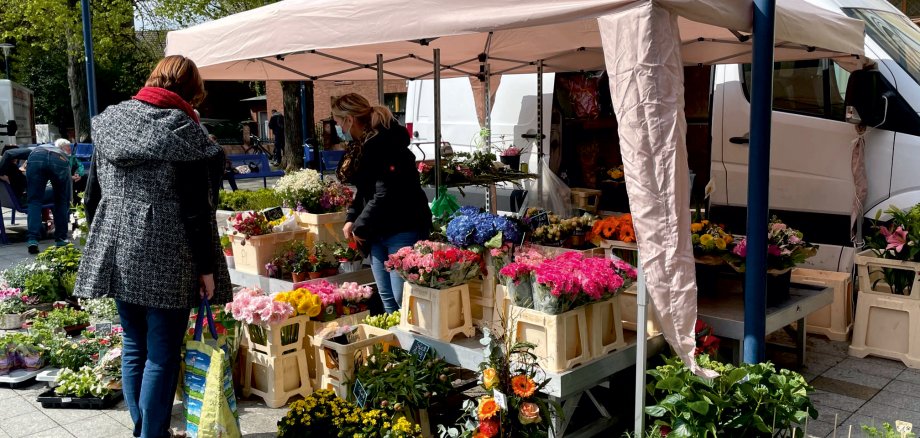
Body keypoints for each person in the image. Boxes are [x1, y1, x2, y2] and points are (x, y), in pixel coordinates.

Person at [73, 55, 232, 438]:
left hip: (118, 242)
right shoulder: (184, 132)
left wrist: (102, 240)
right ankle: (152, 434)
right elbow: (197, 210)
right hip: (168, 247)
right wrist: (207, 268)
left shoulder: (110, 120)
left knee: (134, 345)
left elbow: (93, 194)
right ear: (191, 90)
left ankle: (145, 430)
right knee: (161, 352)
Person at [332, 93, 432, 314]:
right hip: (377, 230)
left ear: (349, 119)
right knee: (386, 295)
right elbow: (365, 190)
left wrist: (360, 224)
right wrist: (351, 217)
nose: (337, 126)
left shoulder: (385, 144)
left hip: (402, 226)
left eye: (338, 121)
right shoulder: (363, 145)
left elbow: (385, 192)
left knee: (401, 295)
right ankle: (395, 345)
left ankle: (412, 343)